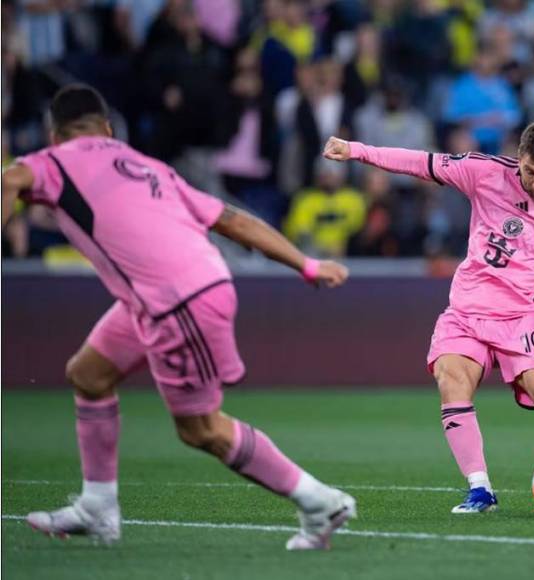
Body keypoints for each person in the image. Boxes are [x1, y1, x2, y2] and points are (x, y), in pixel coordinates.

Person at [0, 84, 355, 551]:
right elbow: (234, 220)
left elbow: (10, 181)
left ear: (54, 132)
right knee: (88, 374)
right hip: (182, 287)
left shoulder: (52, 161)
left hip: (176, 301)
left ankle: (319, 501)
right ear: (107, 129)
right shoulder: (149, 167)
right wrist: (306, 264)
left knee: (200, 428)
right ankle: (98, 506)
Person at [322, 121, 534, 514]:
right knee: (451, 378)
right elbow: (421, 162)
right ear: (519, 159)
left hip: (523, 318)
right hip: (466, 311)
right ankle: (480, 490)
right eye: (529, 172)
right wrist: (357, 150)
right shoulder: (485, 172)